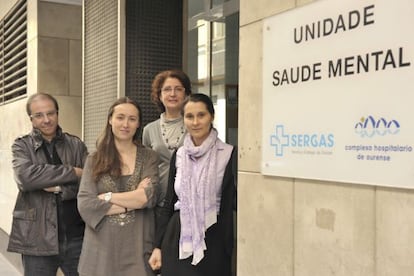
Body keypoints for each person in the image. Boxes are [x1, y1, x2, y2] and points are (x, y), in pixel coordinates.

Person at [149, 93, 237, 276]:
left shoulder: (228, 154)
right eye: (190, 116)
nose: (195, 122)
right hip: (178, 236)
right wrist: (157, 246)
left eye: (201, 115)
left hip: (213, 236)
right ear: (184, 119)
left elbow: (232, 203)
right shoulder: (179, 155)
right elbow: (169, 202)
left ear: (212, 116)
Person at [77, 97, 160, 276]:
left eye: (132, 119)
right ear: (110, 120)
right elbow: (86, 205)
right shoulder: (94, 159)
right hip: (101, 250)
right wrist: (133, 198)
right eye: (120, 117)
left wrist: (107, 197)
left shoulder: (149, 157)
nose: (125, 124)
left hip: (137, 248)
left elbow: (148, 197)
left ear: (138, 124)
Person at [8, 93, 88, 276]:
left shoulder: (75, 144)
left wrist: (59, 188)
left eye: (50, 113)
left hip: (76, 236)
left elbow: (91, 181)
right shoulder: (22, 146)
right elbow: (25, 178)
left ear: (58, 113)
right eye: (39, 115)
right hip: (37, 238)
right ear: (31, 119)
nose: (46, 120)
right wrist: (73, 172)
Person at [142, 69, 192, 206]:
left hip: (189, 202)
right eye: (167, 89)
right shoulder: (149, 130)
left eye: (178, 89)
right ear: (159, 95)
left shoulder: (194, 127)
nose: (172, 94)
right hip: (159, 202)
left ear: (186, 94)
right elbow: (145, 168)